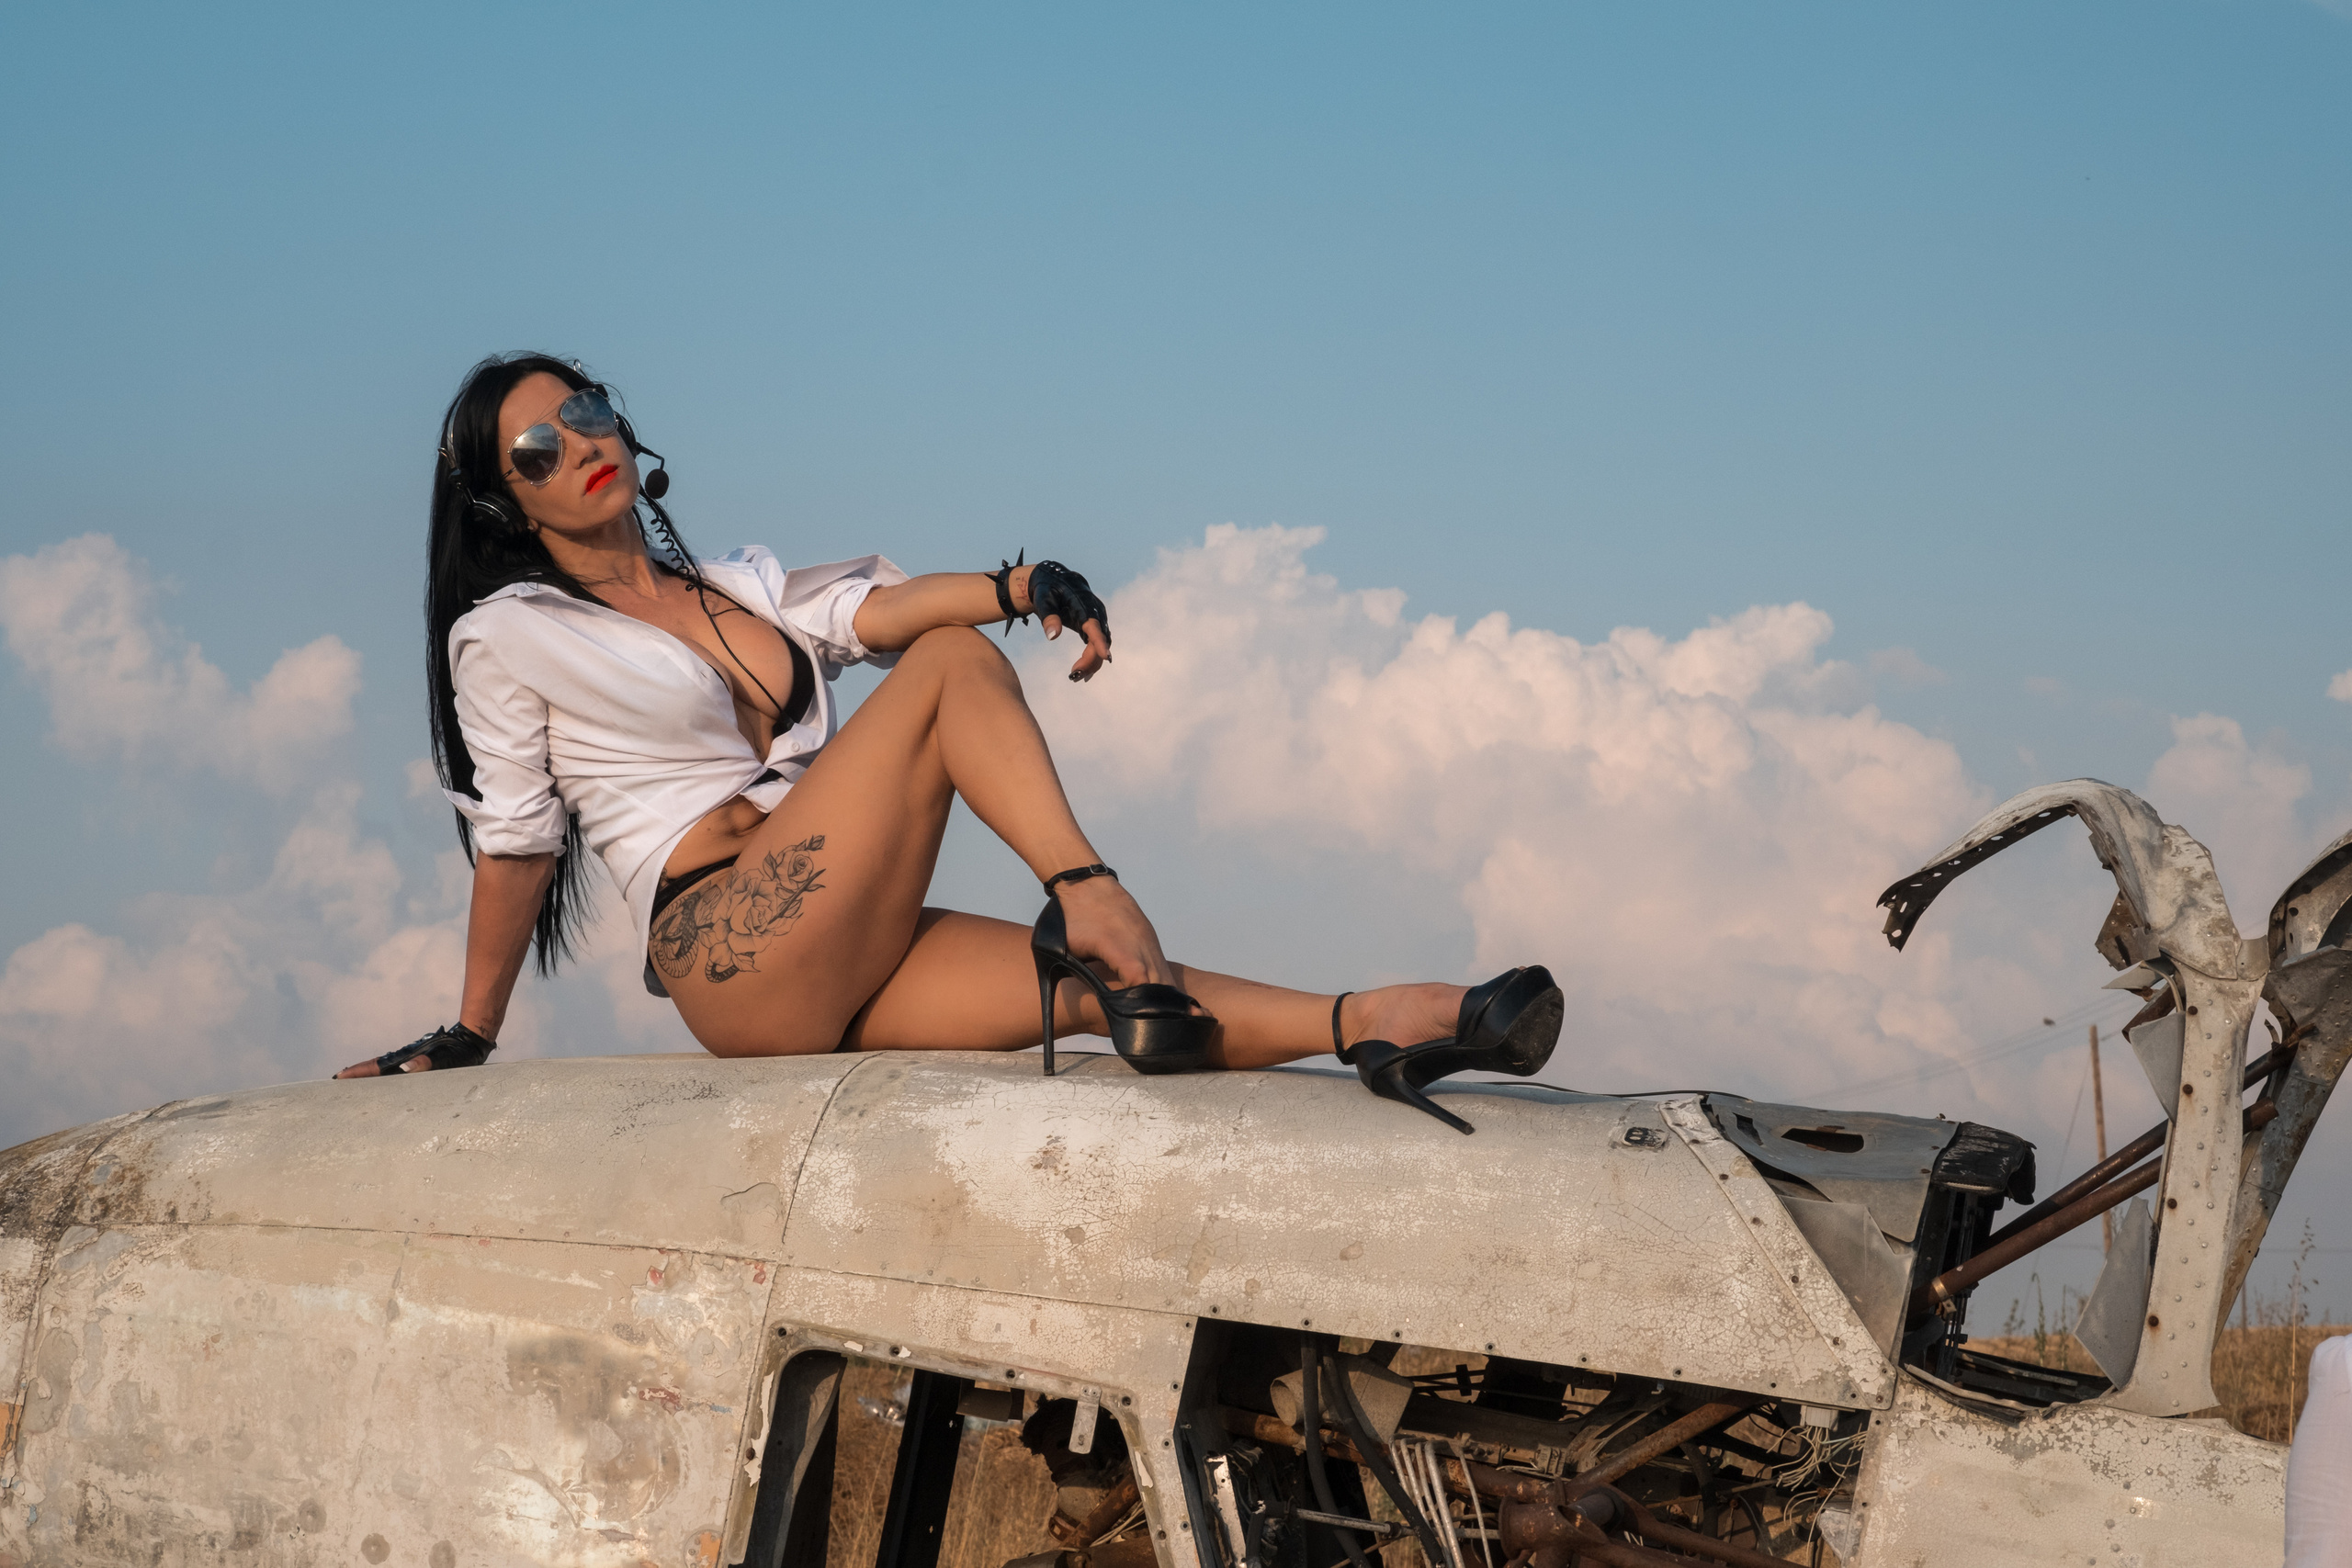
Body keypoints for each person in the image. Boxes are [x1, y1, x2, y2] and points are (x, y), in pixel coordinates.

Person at [333, 354, 1561, 1129]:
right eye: (540, 450)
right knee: (955, 676)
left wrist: (1023, 581)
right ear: (509, 500)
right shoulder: (506, 634)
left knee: (1101, 999)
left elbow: (868, 614)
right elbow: (516, 842)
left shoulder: (733, 585)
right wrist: (471, 1032)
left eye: (589, 412)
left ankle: (1387, 1020)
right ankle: (1087, 888)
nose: (584, 446)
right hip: (727, 944)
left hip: (833, 932)